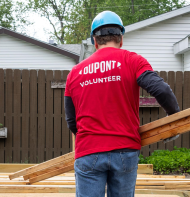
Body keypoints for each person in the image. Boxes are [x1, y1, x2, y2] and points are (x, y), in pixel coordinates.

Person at [64, 11, 180, 197]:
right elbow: (162, 90)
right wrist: (174, 120)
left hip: (89, 150)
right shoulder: (132, 61)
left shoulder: (75, 73)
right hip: (125, 150)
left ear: (95, 41)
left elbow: (71, 120)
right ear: (121, 39)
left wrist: (92, 140)